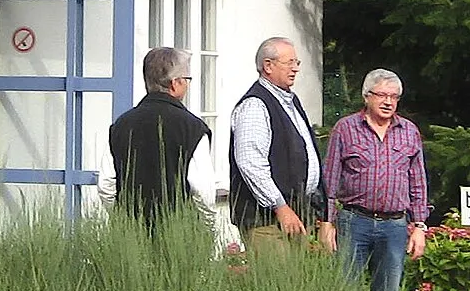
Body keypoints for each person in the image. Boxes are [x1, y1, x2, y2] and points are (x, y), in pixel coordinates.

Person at [318, 70, 429, 291]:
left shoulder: (409, 132)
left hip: (394, 226)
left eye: (394, 97)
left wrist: (419, 226)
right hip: (354, 222)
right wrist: (327, 222)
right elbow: (330, 179)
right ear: (367, 97)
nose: (388, 102)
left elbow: (417, 181)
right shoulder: (346, 129)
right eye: (382, 95)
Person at [98, 46, 231, 247]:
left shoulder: (120, 126)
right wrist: (207, 229)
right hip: (181, 236)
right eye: (187, 80)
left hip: (131, 239)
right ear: (175, 83)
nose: (187, 85)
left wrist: (123, 221)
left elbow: (107, 185)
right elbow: (202, 190)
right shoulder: (192, 128)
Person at [227, 37, 326, 250]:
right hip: (267, 221)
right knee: (277, 281)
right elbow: (250, 162)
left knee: (297, 282)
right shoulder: (255, 105)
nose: (295, 69)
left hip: (295, 215)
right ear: (268, 66)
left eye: (296, 63)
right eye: (288, 62)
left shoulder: (290, 101)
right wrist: (279, 206)